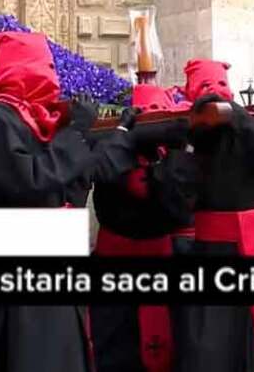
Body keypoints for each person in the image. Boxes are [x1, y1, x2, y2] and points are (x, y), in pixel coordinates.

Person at [0, 32, 137, 372]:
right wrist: (74, 134)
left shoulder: (40, 119)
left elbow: (71, 182)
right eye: (42, 65)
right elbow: (32, 180)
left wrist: (116, 136)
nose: (51, 75)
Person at [174, 57, 254, 372]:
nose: (214, 94)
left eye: (219, 87)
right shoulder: (188, 137)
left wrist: (239, 118)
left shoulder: (251, 127)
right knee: (210, 344)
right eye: (205, 87)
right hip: (211, 252)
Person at [91, 83, 196, 372]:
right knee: (115, 348)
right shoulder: (112, 151)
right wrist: (125, 138)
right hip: (115, 268)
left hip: (160, 263)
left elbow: (178, 209)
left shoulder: (166, 156)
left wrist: (179, 149)